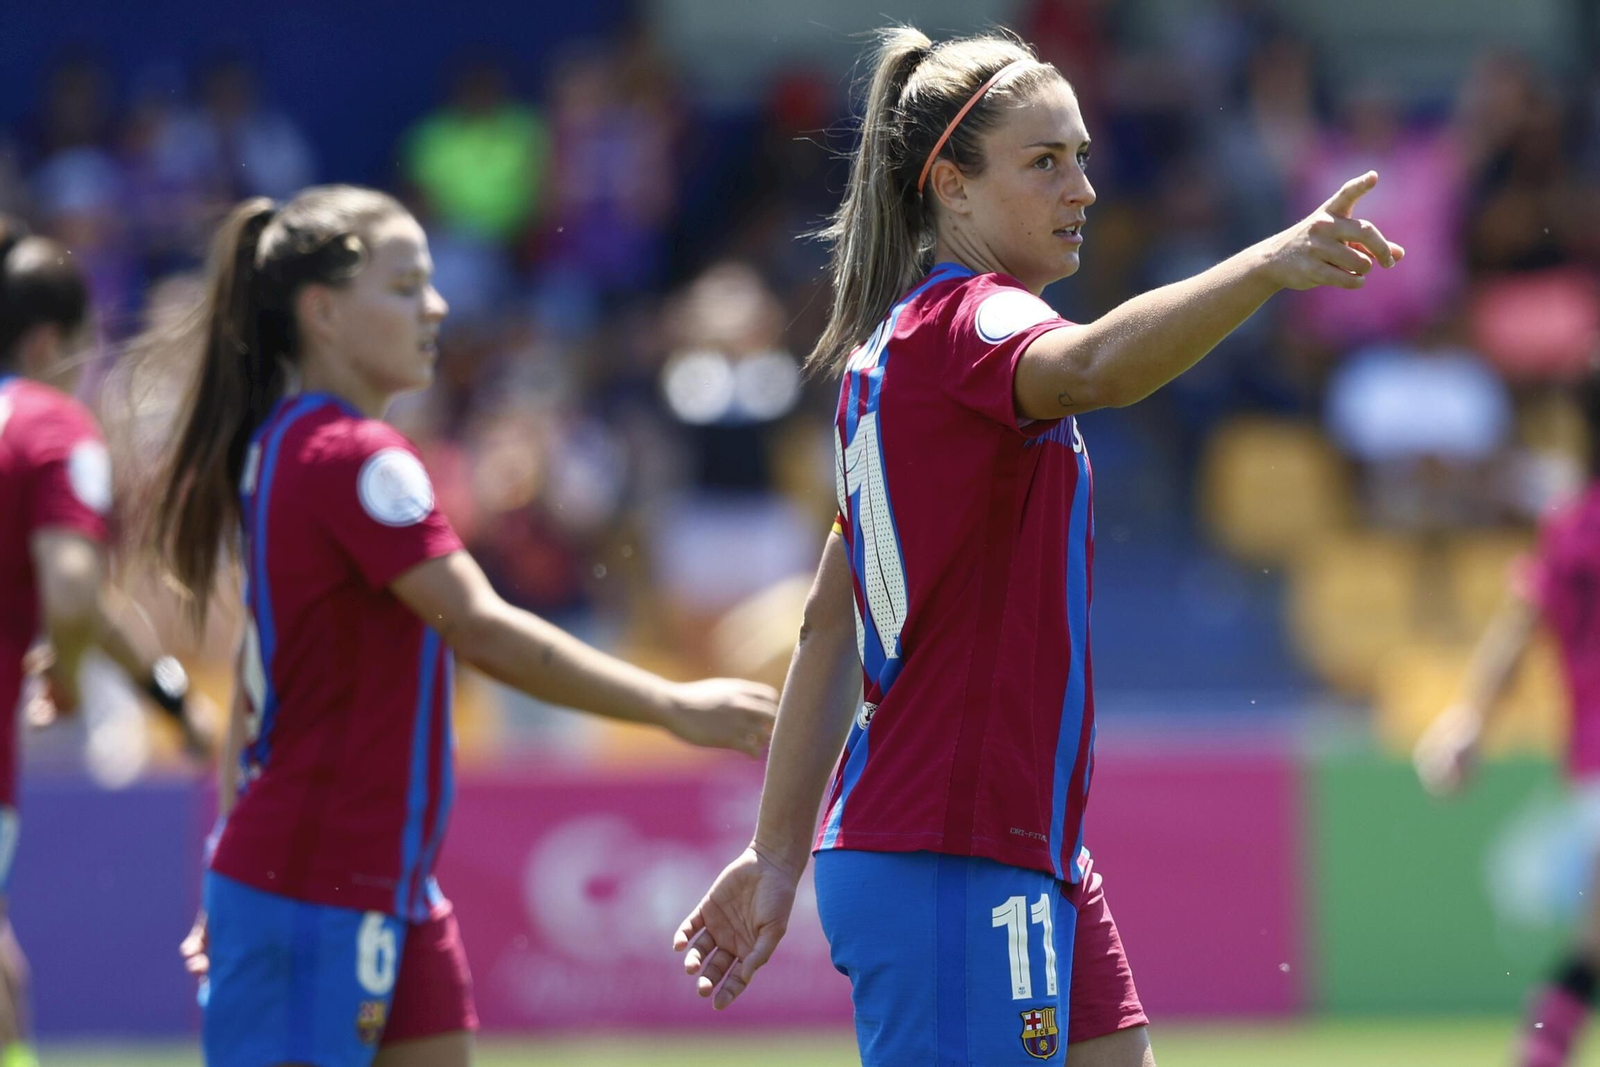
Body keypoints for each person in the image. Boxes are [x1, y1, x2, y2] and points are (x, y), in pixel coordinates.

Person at [673, 27, 1403, 1067]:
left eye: (1084, 157)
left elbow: (829, 624)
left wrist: (776, 850)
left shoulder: (896, 356)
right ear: (951, 189)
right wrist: (1266, 265)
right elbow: (1097, 365)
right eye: (1044, 161)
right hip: (949, 846)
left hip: (1011, 842)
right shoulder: (968, 325)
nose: (1083, 188)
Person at [149, 186, 777, 1067]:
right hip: (312, 886)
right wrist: (672, 705)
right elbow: (479, 628)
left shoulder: (287, 443)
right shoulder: (351, 457)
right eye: (405, 286)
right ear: (323, 311)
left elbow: (258, 691)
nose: (436, 307)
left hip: (378, 886)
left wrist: (227, 857)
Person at [0, 216, 206, 1067]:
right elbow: (74, 584)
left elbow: (92, 603)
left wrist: (162, 691)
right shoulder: (51, 425)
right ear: (52, 339)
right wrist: (74, 678)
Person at [1415, 367, 1600, 1067]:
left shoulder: (1569, 523)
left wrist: (1467, 720)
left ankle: (1539, 1053)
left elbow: (1516, 633)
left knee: (1592, 941)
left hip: (1589, 766)